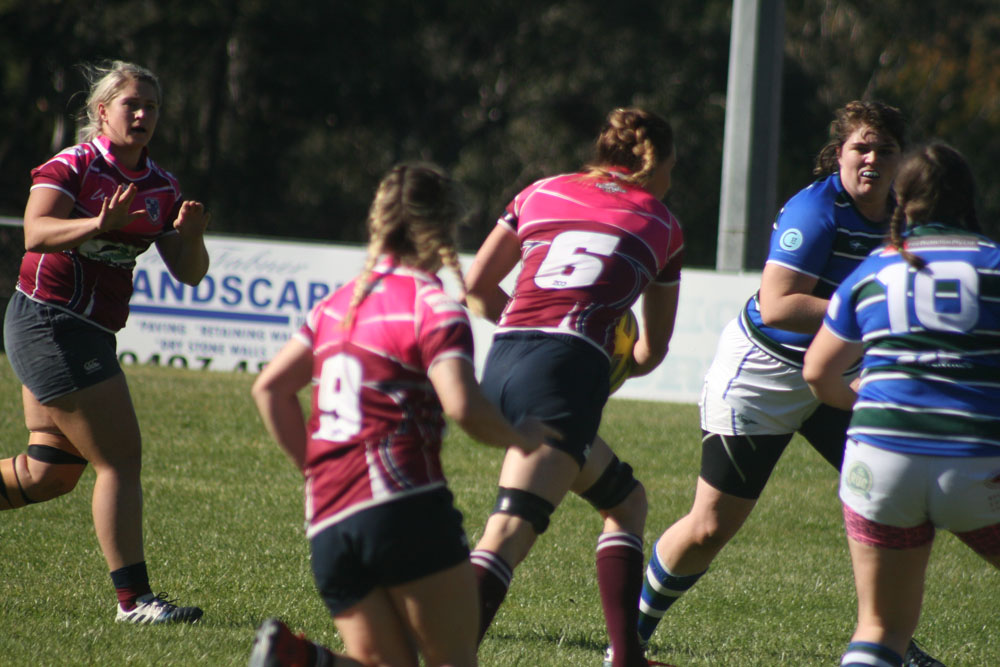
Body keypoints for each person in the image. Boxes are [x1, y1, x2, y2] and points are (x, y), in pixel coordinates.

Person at [635, 100, 941, 666]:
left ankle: (890, 645)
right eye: (861, 147)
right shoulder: (815, 210)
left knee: (894, 499)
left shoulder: (908, 214)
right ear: (840, 153)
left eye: (885, 149)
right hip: (765, 374)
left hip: (838, 373)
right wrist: (873, 310)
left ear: (903, 158)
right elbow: (777, 305)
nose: (872, 159)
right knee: (709, 527)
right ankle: (628, 640)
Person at [248, 162, 555, 667]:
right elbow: (462, 405)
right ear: (445, 226)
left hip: (328, 521)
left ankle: (296, 658)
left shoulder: (337, 306)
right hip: (403, 509)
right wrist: (522, 437)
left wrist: (315, 471)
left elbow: (269, 389)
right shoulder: (431, 305)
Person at [463, 107, 684, 667]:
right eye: (671, 169)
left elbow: (477, 287)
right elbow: (651, 350)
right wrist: (617, 361)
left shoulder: (540, 192)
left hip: (504, 362)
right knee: (507, 533)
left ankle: (626, 657)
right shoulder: (661, 223)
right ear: (655, 164)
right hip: (565, 370)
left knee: (626, 502)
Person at [1, 60, 209, 623]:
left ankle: (135, 601)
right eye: (130, 105)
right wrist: (97, 224)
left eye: (151, 107)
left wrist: (192, 239)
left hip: (88, 331)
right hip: (50, 321)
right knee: (119, 459)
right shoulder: (73, 165)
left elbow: (190, 273)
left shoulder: (162, 186)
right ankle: (135, 603)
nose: (142, 115)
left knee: (48, 472)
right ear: (102, 111)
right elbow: (35, 232)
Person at [802, 143, 1000, 667]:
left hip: (880, 464)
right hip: (977, 463)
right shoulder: (995, 265)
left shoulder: (871, 271)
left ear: (902, 201)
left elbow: (817, 372)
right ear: (968, 198)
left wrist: (870, 410)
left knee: (880, 628)